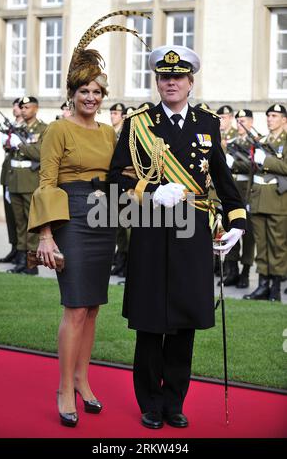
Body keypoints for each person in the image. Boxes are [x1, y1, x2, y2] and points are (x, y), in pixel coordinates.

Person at [109, 45, 246, 429]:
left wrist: (237, 222)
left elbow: (221, 176)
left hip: (193, 233)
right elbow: (117, 178)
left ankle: (174, 401)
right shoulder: (138, 123)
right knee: (151, 320)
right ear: (157, 81)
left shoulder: (207, 122)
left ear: (190, 82)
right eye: (164, 77)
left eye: (178, 77)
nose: (171, 82)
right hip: (152, 230)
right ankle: (150, 402)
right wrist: (151, 192)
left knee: (184, 321)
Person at [27, 10, 148, 427]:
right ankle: (63, 388)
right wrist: (45, 237)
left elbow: (122, 174)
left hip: (105, 217)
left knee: (94, 307)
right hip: (71, 217)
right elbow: (46, 184)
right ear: (73, 93)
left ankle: (82, 380)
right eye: (84, 91)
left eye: (97, 91)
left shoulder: (109, 133)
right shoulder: (58, 130)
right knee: (75, 307)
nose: (91, 97)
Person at [244, 104, 287, 302]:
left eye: (275, 115)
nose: (270, 119)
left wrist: (267, 161)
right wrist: (248, 199)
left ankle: (276, 287)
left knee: (277, 245)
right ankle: (262, 284)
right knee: (261, 245)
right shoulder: (261, 141)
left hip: (278, 200)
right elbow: (252, 174)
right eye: (269, 115)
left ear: (284, 120)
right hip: (258, 198)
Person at [7, 96, 47, 275]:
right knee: (19, 224)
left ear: (36, 109)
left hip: (30, 181)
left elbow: (40, 153)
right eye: (22, 107)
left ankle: (32, 264)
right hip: (15, 179)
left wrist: (20, 146)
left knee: (31, 224)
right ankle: (21, 260)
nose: (23, 110)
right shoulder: (18, 128)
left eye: (27, 107)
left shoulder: (43, 129)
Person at [221, 109, 256, 288]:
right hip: (233, 188)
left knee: (247, 233)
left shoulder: (255, 143)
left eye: (243, 120)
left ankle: (246, 270)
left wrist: (233, 163)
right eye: (238, 120)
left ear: (251, 122)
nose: (240, 124)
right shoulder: (233, 142)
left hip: (246, 189)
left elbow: (253, 165)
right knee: (231, 227)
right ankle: (232, 268)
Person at [0, 98, 24, 264]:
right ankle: (14, 247)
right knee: (10, 215)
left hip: (22, 178)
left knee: (21, 218)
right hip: (8, 174)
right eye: (15, 106)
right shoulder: (11, 127)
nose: (15, 109)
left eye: (19, 106)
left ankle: (22, 250)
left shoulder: (29, 128)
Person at [109, 102, 129, 277]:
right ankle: (121, 260)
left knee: (130, 228)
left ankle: (127, 263)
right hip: (119, 184)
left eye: (116, 113)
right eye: (112, 112)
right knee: (120, 227)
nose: (113, 116)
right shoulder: (112, 133)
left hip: (133, 187)